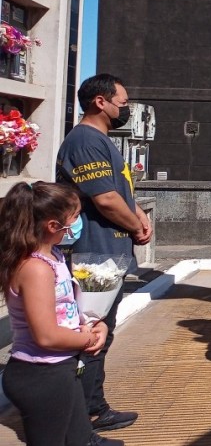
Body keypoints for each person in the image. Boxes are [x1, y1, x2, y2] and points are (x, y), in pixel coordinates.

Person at [56, 73, 153, 432]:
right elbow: (106, 199)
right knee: (92, 334)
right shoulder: (84, 141)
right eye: (123, 104)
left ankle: (94, 406)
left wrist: (140, 216)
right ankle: (84, 418)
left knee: (102, 332)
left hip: (107, 253)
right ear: (101, 102)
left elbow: (120, 191)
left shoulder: (100, 140)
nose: (125, 110)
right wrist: (134, 225)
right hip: (93, 254)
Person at [0, 182, 122, 446]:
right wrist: (87, 339)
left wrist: (95, 324)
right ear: (53, 226)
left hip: (60, 369)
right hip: (41, 374)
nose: (79, 223)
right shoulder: (35, 268)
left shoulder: (53, 256)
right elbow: (46, 336)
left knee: (79, 439)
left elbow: (64, 309)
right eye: (75, 217)